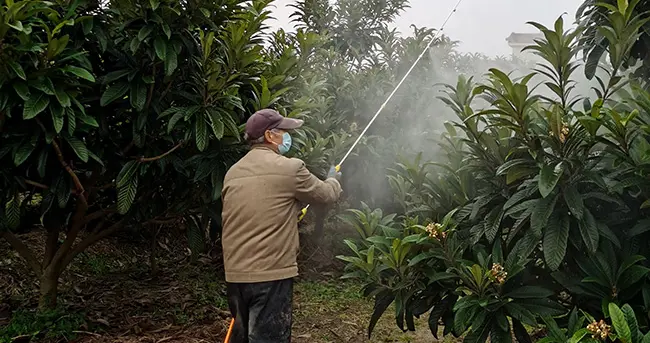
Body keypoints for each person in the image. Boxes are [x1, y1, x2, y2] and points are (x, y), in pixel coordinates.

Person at [221, 108, 342, 342]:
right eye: (284, 131)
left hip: (235, 276)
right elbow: (325, 195)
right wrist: (333, 179)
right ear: (270, 136)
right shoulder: (290, 168)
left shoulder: (233, 173)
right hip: (270, 273)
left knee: (242, 338)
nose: (288, 136)